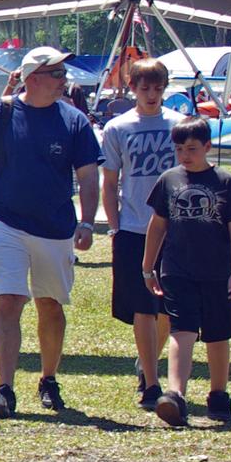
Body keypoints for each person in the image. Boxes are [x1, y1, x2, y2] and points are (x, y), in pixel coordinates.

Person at [0, 46, 101, 419]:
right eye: (57, 74)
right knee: (8, 301)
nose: (64, 81)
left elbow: (89, 175)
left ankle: (48, 378)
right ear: (33, 78)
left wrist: (87, 222)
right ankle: (4, 389)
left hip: (56, 228)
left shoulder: (75, 121)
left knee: (50, 305)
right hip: (4, 221)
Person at [143, 116, 231, 426]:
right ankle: (175, 395)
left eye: (191, 148)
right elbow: (158, 225)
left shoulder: (225, 183)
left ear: (207, 147)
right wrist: (148, 267)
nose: (184, 156)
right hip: (177, 270)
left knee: (218, 335)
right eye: (179, 149)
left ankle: (218, 394)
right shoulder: (168, 180)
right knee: (182, 330)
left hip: (218, 273)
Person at [100, 58, 182, 410]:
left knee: (169, 307)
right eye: (144, 87)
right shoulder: (118, 128)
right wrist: (114, 226)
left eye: (157, 88)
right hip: (134, 228)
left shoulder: (180, 125)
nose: (151, 94)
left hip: (176, 228)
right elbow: (110, 181)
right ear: (131, 87)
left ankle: (148, 359)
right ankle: (150, 382)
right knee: (142, 308)